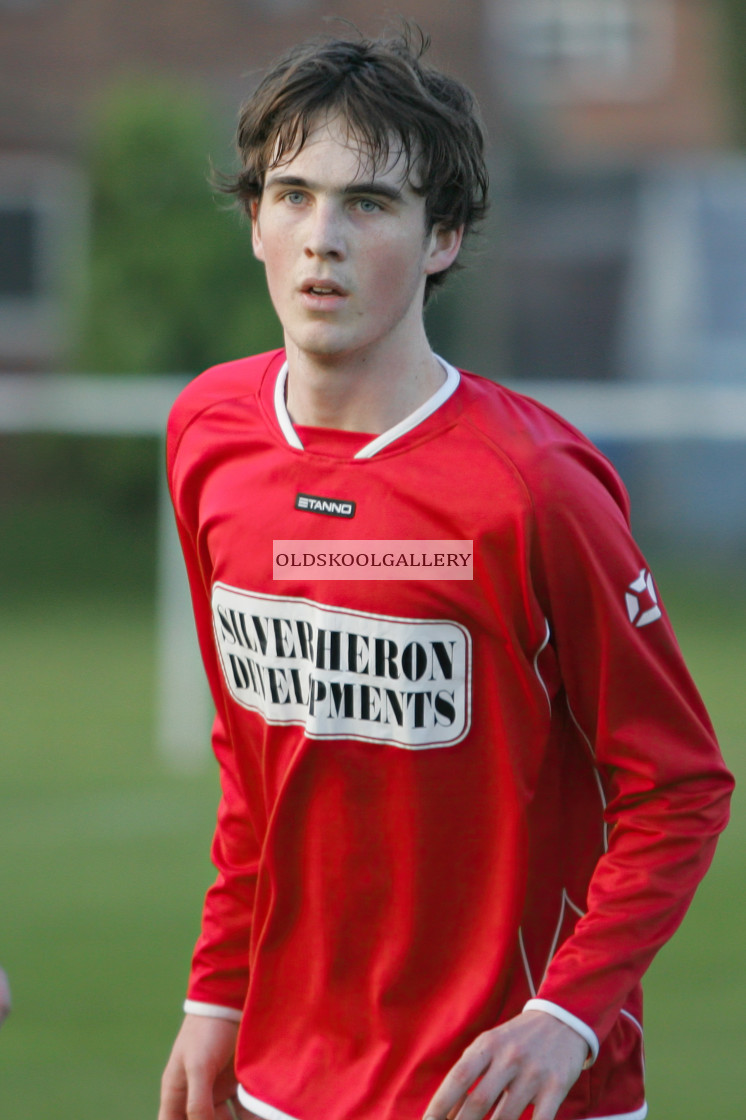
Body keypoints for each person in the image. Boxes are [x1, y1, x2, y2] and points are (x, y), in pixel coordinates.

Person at [158, 27, 733, 1120]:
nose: (320, 237)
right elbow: (255, 765)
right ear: (254, 222)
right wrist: (216, 993)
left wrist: (565, 1018)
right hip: (288, 1074)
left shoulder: (533, 488)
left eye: (368, 204)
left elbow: (678, 789)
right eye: (291, 195)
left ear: (443, 237)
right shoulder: (207, 434)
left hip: (509, 1091)